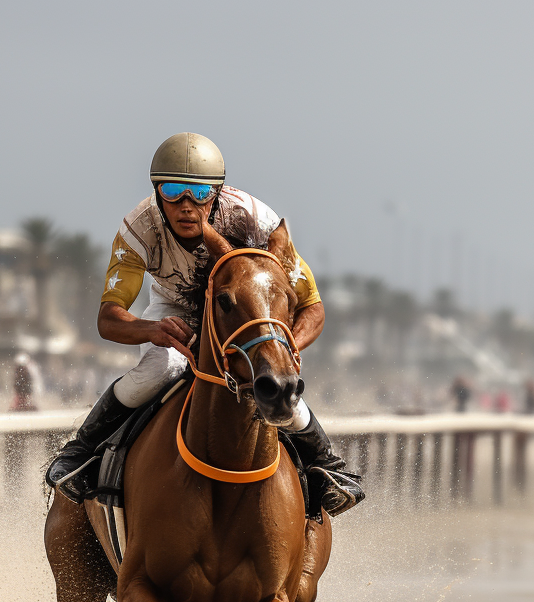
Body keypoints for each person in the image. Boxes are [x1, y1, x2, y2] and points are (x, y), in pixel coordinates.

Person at [45, 133, 363, 518]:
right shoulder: (137, 230)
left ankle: (327, 465)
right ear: (157, 192)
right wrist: (151, 331)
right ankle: (80, 452)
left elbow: (312, 308)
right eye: (173, 190)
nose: (186, 205)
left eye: (199, 193)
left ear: (217, 192)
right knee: (159, 370)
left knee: (273, 380)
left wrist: (283, 348)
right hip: (173, 307)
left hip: (242, 312)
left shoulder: (258, 221)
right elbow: (108, 319)